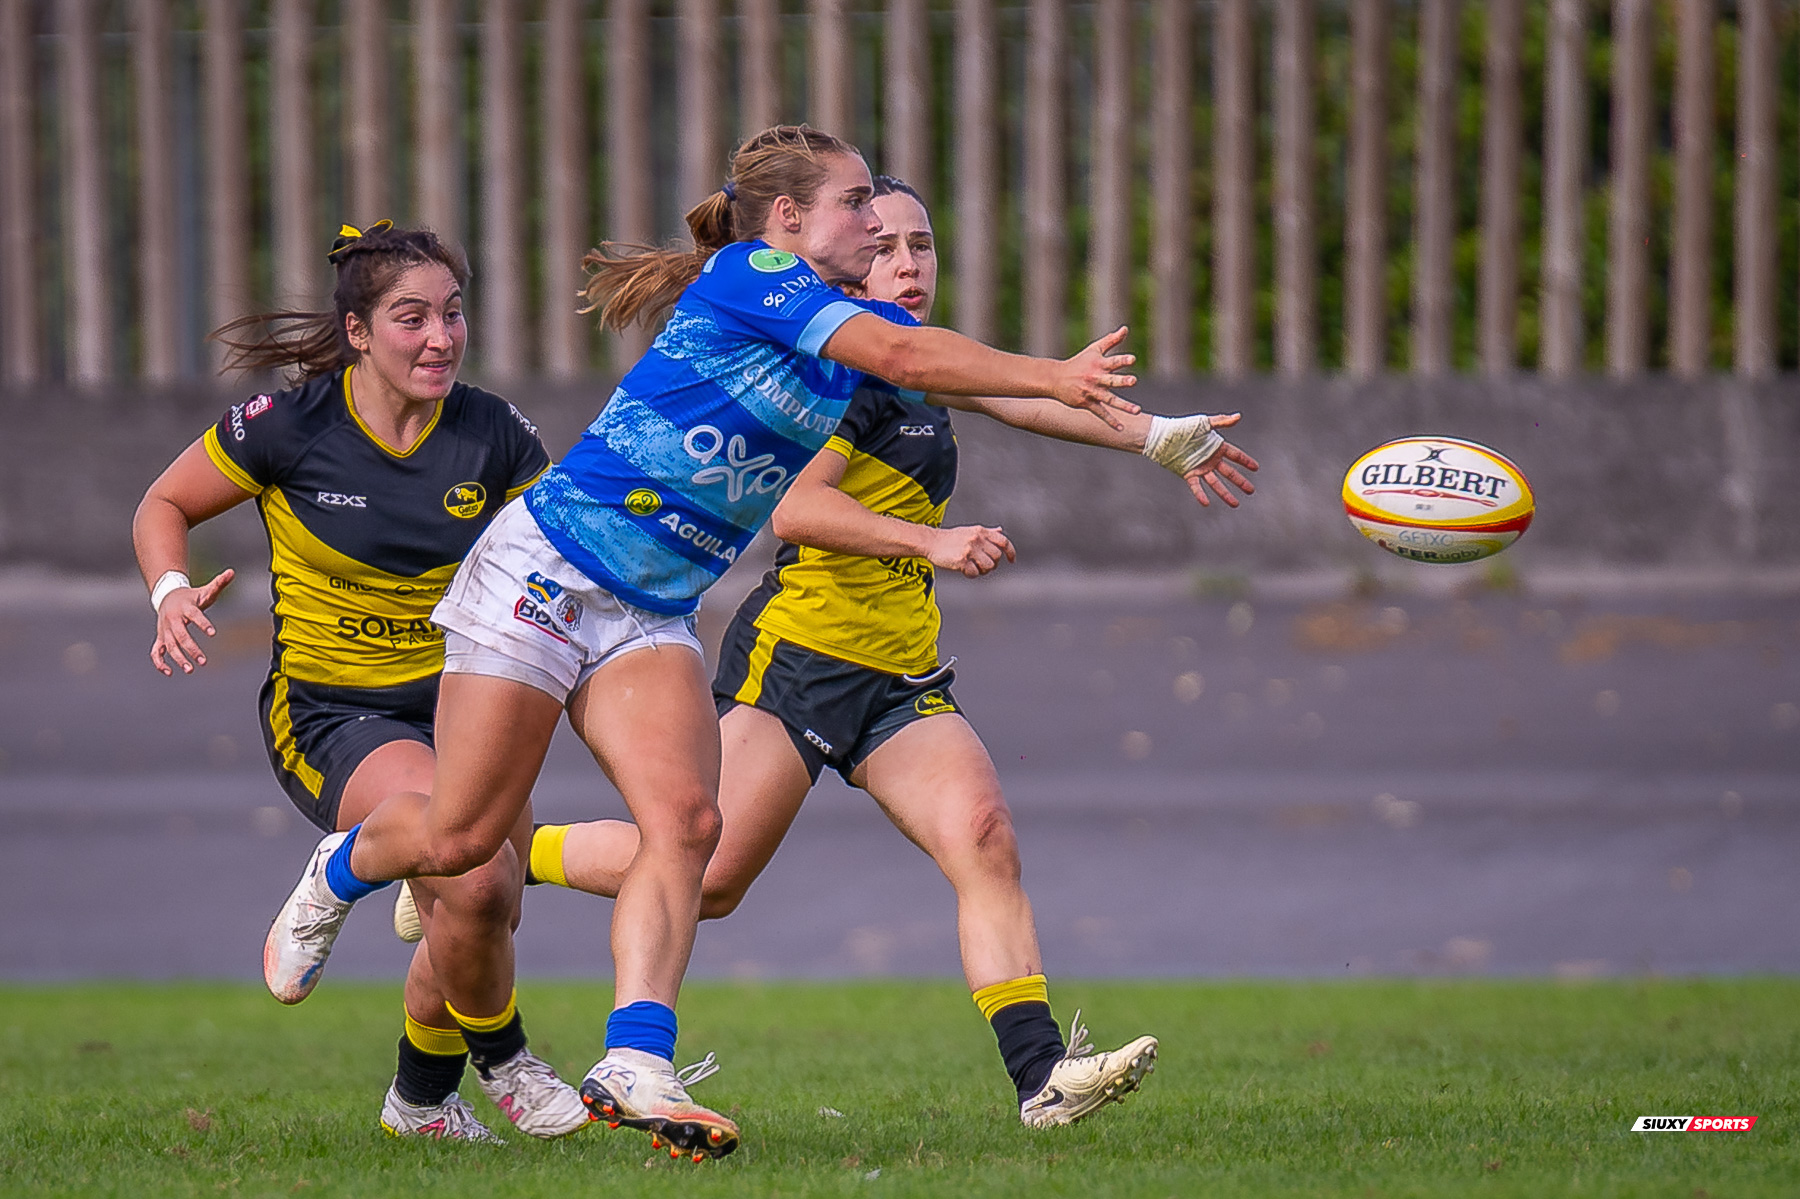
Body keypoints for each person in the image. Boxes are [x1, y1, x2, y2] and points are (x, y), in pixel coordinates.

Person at [261, 124, 1147, 1164]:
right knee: (459, 841)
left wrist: (1160, 434)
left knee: (686, 821)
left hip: (651, 604)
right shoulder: (753, 275)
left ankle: (636, 1055)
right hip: (550, 571)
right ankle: (347, 864)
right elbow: (915, 355)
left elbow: (948, 373)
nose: (880, 224)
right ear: (789, 222)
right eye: (859, 203)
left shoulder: (848, 323)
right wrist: (1055, 369)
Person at [497, 175, 1258, 1127]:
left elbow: (1026, 405)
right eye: (885, 242)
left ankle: (1040, 1079)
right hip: (800, 661)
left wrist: (1159, 439)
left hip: (900, 673)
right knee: (712, 871)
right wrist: (931, 542)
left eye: (923, 245)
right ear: (846, 253)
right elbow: (795, 506)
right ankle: (511, 851)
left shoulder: (915, 367)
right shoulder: (829, 374)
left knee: (983, 835)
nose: (907, 262)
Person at [132, 222, 588, 1143]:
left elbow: (563, 554)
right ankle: (502, 1057)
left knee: (487, 897)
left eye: (453, 315)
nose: (441, 338)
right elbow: (164, 502)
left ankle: (418, 1105)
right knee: (466, 869)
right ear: (359, 332)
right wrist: (171, 591)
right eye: (412, 318)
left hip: (467, 704)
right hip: (335, 711)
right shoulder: (289, 425)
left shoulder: (494, 432)